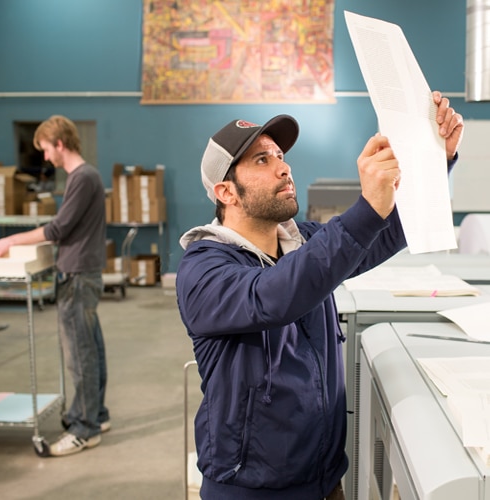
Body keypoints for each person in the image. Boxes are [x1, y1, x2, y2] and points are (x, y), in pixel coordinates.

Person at [176, 92, 464, 499]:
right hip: (252, 490)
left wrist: (437, 160)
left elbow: (384, 234)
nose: (283, 167)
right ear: (226, 192)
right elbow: (273, 295)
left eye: (280, 155)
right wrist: (366, 208)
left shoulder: (300, 242)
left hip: (325, 480)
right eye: (263, 160)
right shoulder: (203, 269)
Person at [0, 115, 110, 457]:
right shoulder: (83, 177)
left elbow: (58, 229)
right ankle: (95, 415)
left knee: (80, 354)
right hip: (81, 272)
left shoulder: (82, 177)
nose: (45, 157)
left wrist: (11, 240)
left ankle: (84, 429)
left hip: (77, 274)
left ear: (59, 143)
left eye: (45, 149)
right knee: (91, 347)